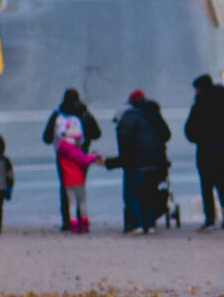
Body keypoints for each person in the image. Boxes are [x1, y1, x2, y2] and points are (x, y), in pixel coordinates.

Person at [184, 75, 224, 229]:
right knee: (222, 181)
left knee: (206, 184)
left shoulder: (199, 104)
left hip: (204, 148)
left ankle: (210, 218)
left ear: (200, 88)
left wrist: (198, 138)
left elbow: (189, 130)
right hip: (222, 146)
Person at [113, 91, 173, 234]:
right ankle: (150, 224)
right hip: (157, 162)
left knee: (132, 193)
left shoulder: (129, 118)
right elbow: (166, 135)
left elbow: (125, 143)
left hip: (137, 163)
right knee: (149, 193)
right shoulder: (153, 115)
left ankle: (137, 224)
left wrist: (119, 161)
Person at [42, 88, 101, 232]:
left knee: (66, 187)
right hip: (81, 155)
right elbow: (96, 133)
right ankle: (82, 219)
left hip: (63, 156)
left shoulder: (57, 115)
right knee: (80, 187)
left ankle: (68, 221)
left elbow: (47, 138)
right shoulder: (84, 114)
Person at [53, 128, 97, 234]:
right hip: (78, 179)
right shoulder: (74, 150)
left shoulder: (62, 150)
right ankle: (84, 224)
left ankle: (73, 224)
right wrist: (94, 157)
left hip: (68, 180)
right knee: (82, 202)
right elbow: (84, 161)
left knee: (71, 203)